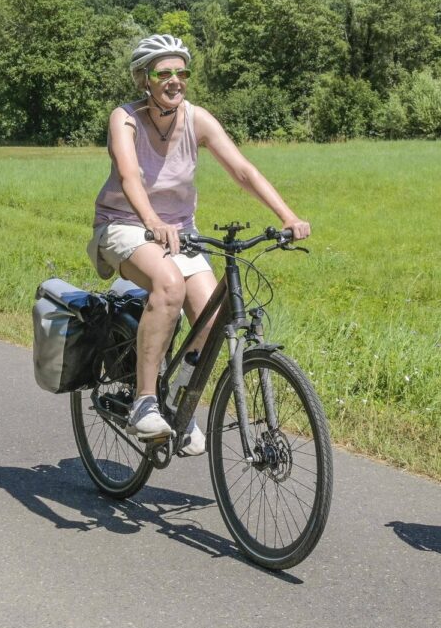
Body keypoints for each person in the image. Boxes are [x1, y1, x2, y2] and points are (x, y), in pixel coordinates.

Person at [90, 33, 310, 453]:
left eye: (181, 72)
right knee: (169, 284)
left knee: (212, 321)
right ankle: (144, 402)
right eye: (164, 73)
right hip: (125, 224)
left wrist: (287, 216)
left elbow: (243, 170)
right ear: (144, 79)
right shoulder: (126, 118)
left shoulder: (197, 119)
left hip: (179, 231)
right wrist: (151, 220)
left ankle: (178, 403)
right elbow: (130, 175)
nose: (175, 80)